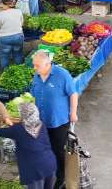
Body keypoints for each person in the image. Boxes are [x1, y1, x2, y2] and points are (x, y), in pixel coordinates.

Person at [31, 51, 79, 189]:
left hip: (59, 121)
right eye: (34, 65)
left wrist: (73, 113)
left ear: (47, 64)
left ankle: (61, 178)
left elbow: (73, 93)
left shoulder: (62, 74)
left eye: (37, 66)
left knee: (58, 151)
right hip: (41, 122)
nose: (34, 68)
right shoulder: (36, 76)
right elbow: (33, 95)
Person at [0, 103, 56, 189]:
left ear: (23, 115)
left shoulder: (18, 129)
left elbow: (0, 131)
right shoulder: (41, 125)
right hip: (50, 164)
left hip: (34, 170)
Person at [0, 0, 24, 69]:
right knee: (18, 53)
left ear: (6, 5)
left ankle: (5, 72)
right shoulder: (19, 11)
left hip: (5, 38)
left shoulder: (1, 14)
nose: (1, 5)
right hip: (18, 36)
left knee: (4, 55)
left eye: (2, 4)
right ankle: (19, 70)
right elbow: (22, 24)